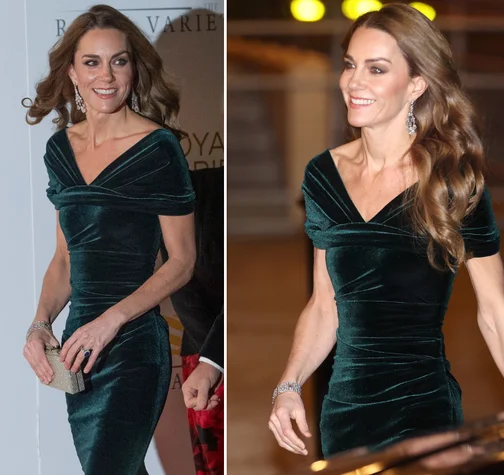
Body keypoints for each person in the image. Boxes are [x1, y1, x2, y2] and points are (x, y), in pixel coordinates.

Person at [269, 3, 504, 459]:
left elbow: (496, 312)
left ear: (416, 84)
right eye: (351, 65)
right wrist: (288, 385)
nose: (354, 82)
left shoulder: (453, 179)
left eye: (376, 69)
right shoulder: (323, 175)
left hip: (425, 409)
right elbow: (324, 306)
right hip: (344, 412)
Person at [21, 5, 196, 474]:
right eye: (92, 62)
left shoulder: (159, 148)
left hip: (134, 343)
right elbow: (64, 260)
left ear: (134, 69)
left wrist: (111, 321)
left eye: (119, 61)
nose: (107, 75)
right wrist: (40, 324)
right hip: (80, 349)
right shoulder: (59, 149)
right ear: (72, 73)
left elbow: (181, 261)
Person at [162, 166, 225, 475]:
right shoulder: (180, 190)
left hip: (221, 354)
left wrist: (213, 359)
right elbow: (182, 286)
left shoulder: (215, 186)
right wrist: (209, 359)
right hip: (200, 352)